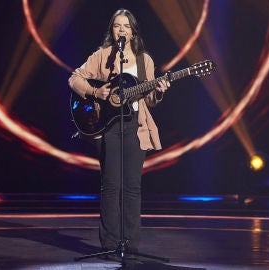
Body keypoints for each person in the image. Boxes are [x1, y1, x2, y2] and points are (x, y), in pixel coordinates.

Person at [68, 8, 170, 255]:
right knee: (111, 186)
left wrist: (160, 90)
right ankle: (110, 244)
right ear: (112, 31)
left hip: (136, 126)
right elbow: (74, 78)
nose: (121, 30)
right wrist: (95, 92)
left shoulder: (145, 60)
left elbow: (151, 99)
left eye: (126, 26)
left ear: (133, 32)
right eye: (117, 26)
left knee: (132, 187)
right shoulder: (102, 56)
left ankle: (131, 245)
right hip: (109, 126)